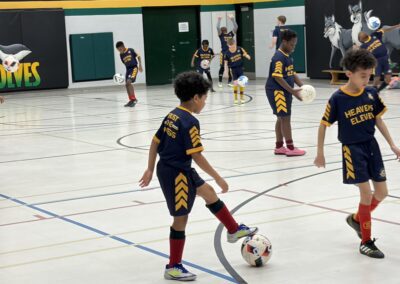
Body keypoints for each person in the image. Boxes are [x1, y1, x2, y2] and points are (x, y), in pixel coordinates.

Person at [139, 71, 257, 281]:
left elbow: (155, 141)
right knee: (180, 219)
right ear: (195, 98)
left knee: (209, 193)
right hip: (177, 175)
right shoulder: (190, 122)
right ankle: (173, 266)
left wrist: (150, 168)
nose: (204, 103)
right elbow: (198, 156)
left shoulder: (172, 114)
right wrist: (219, 177)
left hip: (176, 169)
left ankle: (233, 230)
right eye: (204, 98)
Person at [314, 49, 400, 259]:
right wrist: (320, 153)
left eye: (369, 75)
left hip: (372, 146)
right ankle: (366, 242)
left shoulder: (371, 93)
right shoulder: (338, 98)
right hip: (352, 149)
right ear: (349, 73)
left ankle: (356, 219)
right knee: (366, 194)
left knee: (382, 193)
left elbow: (379, 120)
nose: (367, 79)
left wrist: (392, 145)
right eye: (363, 76)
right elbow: (323, 125)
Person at [265, 29, 306, 156]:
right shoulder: (279, 57)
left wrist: (303, 86)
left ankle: (279, 147)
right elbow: (277, 76)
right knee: (285, 118)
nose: (293, 47)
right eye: (291, 44)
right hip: (278, 92)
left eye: (294, 44)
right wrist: (293, 91)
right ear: (284, 42)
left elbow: (291, 74)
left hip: (284, 91)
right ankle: (290, 147)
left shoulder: (287, 56)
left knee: (280, 118)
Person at [358, 23, 400, 93]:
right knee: (377, 76)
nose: (362, 33)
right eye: (360, 35)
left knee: (388, 79)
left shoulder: (374, 35)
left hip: (386, 59)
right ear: (360, 39)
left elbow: (384, 29)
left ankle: (378, 90)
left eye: (362, 32)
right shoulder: (363, 47)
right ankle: (373, 90)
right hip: (377, 61)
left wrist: (396, 26)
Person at [116, 41, 143, 107]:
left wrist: (140, 65)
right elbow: (124, 62)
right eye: (118, 50)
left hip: (134, 68)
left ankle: (134, 99)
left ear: (123, 46)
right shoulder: (121, 55)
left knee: (128, 82)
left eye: (120, 49)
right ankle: (131, 100)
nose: (119, 51)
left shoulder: (131, 50)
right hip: (128, 70)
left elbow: (139, 56)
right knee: (126, 84)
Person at [224, 39, 251, 105]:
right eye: (230, 46)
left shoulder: (240, 49)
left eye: (233, 45)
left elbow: (247, 55)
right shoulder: (227, 53)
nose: (232, 47)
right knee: (235, 83)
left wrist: (247, 56)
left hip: (240, 68)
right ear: (228, 45)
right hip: (233, 69)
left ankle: (242, 98)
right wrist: (225, 71)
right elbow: (225, 64)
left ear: (235, 43)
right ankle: (236, 99)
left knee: (241, 83)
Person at [217, 14, 238, 88]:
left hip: (229, 53)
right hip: (223, 53)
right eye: (223, 29)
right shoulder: (221, 35)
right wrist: (219, 20)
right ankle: (220, 82)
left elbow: (236, 27)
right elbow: (217, 27)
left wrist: (232, 19)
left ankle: (229, 82)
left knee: (229, 67)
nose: (224, 29)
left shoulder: (230, 34)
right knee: (222, 67)